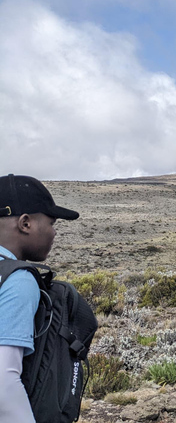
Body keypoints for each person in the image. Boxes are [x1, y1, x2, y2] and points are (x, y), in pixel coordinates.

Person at [0, 174, 80, 423]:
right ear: (25, 223)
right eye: (51, 222)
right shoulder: (17, 280)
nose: (54, 232)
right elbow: (4, 379)